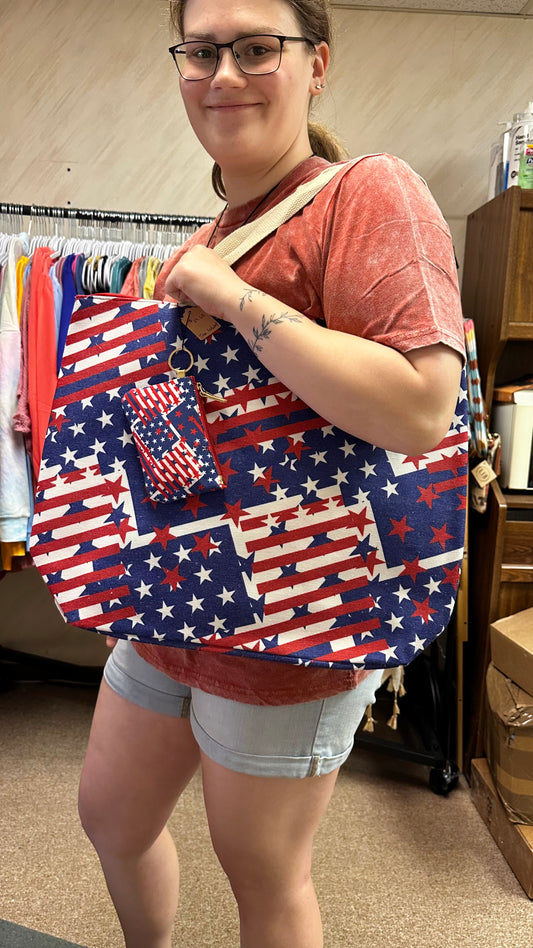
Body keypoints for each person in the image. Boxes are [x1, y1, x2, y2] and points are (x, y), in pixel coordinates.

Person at [78, 1, 465, 946]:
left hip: (302, 610)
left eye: (256, 48)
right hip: (178, 588)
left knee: (260, 870)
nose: (223, 74)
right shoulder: (219, 232)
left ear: (315, 63)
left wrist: (232, 296)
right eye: (201, 50)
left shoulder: (368, 194)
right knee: (109, 816)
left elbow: (420, 406)